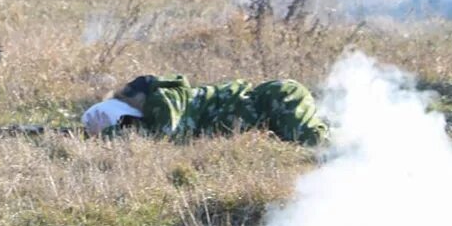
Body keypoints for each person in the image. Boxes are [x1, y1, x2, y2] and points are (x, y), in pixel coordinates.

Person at [81, 73, 328, 144]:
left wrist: (109, 134)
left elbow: (169, 136)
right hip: (269, 114)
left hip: (276, 98)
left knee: (311, 140)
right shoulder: (146, 108)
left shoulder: (164, 98)